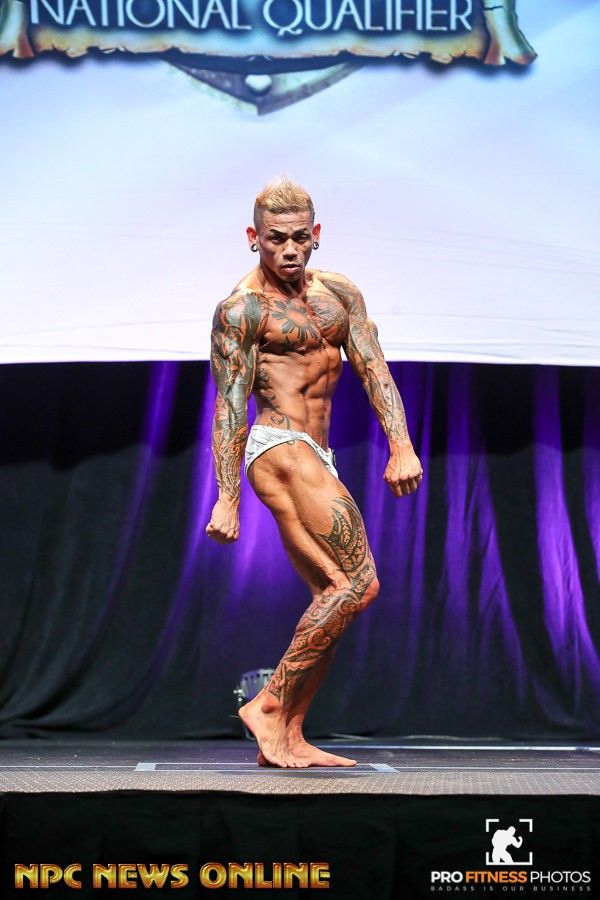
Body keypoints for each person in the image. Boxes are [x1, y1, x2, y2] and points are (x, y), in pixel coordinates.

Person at [206, 178, 422, 768]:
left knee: (334, 595)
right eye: (276, 238)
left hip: (318, 452)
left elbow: (374, 369)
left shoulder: (340, 295)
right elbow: (230, 405)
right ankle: (268, 704)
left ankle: (288, 733)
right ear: (254, 237)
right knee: (361, 583)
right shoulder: (242, 310)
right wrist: (227, 497)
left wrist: (400, 444)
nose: (289, 250)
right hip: (277, 444)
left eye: (300, 237)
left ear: (316, 234)